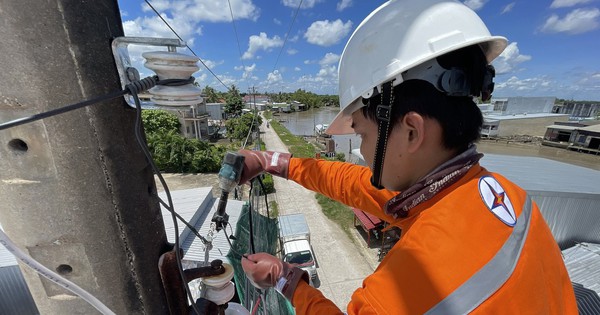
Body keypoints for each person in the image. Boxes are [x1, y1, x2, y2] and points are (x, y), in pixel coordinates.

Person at [239, 0, 578, 314]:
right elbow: (354, 184)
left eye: (362, 135)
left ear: (412, 132)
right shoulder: (511, 199)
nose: (363, 152)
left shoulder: (395, 295)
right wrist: (271, 162)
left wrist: (287, 281)